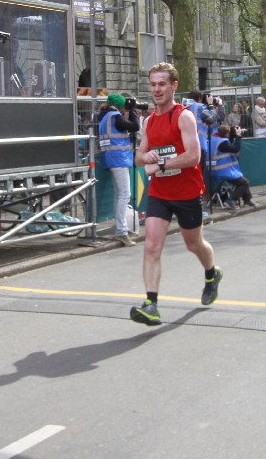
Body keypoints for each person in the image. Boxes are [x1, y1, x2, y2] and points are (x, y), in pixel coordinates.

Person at [130, 62, 222, 326]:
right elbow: (138, 158)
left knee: (194, 244)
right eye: (153, 84)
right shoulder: (149, 121)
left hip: (186, 192)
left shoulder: (184, 116)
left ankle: (212, 273)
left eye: (162, 84)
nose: (157, 89)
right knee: (151, 245)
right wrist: (146, 156)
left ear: (174, 86)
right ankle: (151, 304)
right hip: (160, 192)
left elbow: (193, 156)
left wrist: (160, 164)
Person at [99, 94, 139, 246]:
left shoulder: (105, 117)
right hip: (119, 158)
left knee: (119, 195)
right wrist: (133, 110)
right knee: (124, 195)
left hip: (111, 158)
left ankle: (121, 228)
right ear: (121, 106)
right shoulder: (115, 117)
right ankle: (122, 231)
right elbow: (135, 126)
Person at [209, 124, 255, 208]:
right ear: (227, 133)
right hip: (223, 171)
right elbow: (235, 149)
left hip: (214, 170)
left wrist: (234, 134)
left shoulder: (213, 139)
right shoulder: (223, 143)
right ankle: (231, 200)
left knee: (242, 179)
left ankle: (247, 200)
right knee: (244, 182)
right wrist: (238, 136)